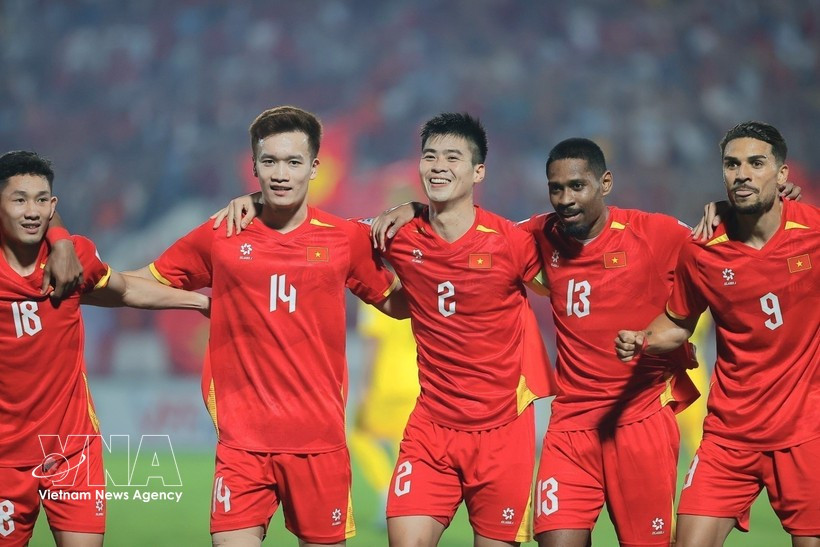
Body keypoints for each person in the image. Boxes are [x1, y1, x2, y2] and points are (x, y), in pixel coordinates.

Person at [370, 136, 802, 547]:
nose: (566, 199)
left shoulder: (655, 234)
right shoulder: (541, 234)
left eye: (577, 186)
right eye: (556, 189)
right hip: (570, 425)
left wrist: (749, 208)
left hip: (640, 421)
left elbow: (718, 245)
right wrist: (417, 208)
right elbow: (475, 228)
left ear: (605, 184)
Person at [214, 112, 555, 547]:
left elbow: (566, 280)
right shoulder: (396, 234)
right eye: (430, 156)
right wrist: (257, 200)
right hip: (431, 426)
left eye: (453, 157)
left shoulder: (512, 241)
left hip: (502, 431)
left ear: (478, 171)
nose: (438, 166)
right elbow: (318, 230)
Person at [126, 106, 409, 547]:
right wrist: (73, 273)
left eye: (294, 162)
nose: (281, 173)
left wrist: (425, 233)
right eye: (270, 161)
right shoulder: (222, 232)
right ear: (254, 165)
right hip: (243, 445)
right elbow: (136, 285)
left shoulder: (344, 237)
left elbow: (397, 303)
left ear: (315, 167)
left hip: (320, 444)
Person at [615, 121, 819, 547]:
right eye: (732, 164)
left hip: (806, 435)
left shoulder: (814, 233)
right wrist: (643, 338)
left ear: (782, 175)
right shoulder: (703, 248)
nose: (742, 173)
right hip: (730, 436)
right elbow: (678, 324)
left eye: (756, 163)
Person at [0, 150, 210, 547]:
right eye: (19, 199)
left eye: (42, 200)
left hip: (71, 451)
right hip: (4, 458)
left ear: (53, 205)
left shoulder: (75, 255)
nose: (32, 211)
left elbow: (126, 289)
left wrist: (202, 303)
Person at [347, 300, 418, 524]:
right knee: (405, 446)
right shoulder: (417, 290)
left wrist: (364, 385)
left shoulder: (377, 296)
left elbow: (372, 342)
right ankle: (405, 502)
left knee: (358, 435)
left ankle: (385, 488)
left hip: (385, 384)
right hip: (415, 382)